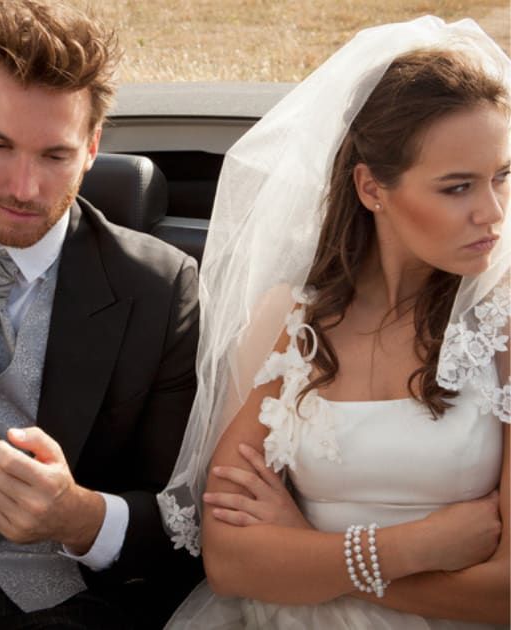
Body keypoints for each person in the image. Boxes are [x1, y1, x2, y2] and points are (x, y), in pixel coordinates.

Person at [157, 16, 510, 628]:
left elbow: (505, 593)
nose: (493, 212)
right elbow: (228, 561)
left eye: (502, 177)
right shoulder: (294, 323)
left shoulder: (501, 327)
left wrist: (311, 557)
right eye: (457, 188)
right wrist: (409, 548)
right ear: (372, 188)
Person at [0, 1, 203, 627]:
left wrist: (81, 516)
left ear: (92, 147)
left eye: (54, 156)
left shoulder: (160, 290)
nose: (23, 188)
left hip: (57, 604)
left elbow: (184, 520)